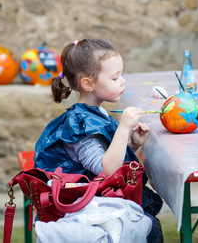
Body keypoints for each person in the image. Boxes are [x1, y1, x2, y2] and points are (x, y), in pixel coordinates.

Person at [34, 39, 164, 242]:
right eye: (115, 77)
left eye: (122, 74)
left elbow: (102, 158)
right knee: (151, 228)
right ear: (88, 83)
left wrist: (133, 144)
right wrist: (123, 127)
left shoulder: (95, 112)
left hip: (100, 199)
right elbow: (107, 171)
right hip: (90, 209)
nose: (123, 81)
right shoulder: (80, 127)